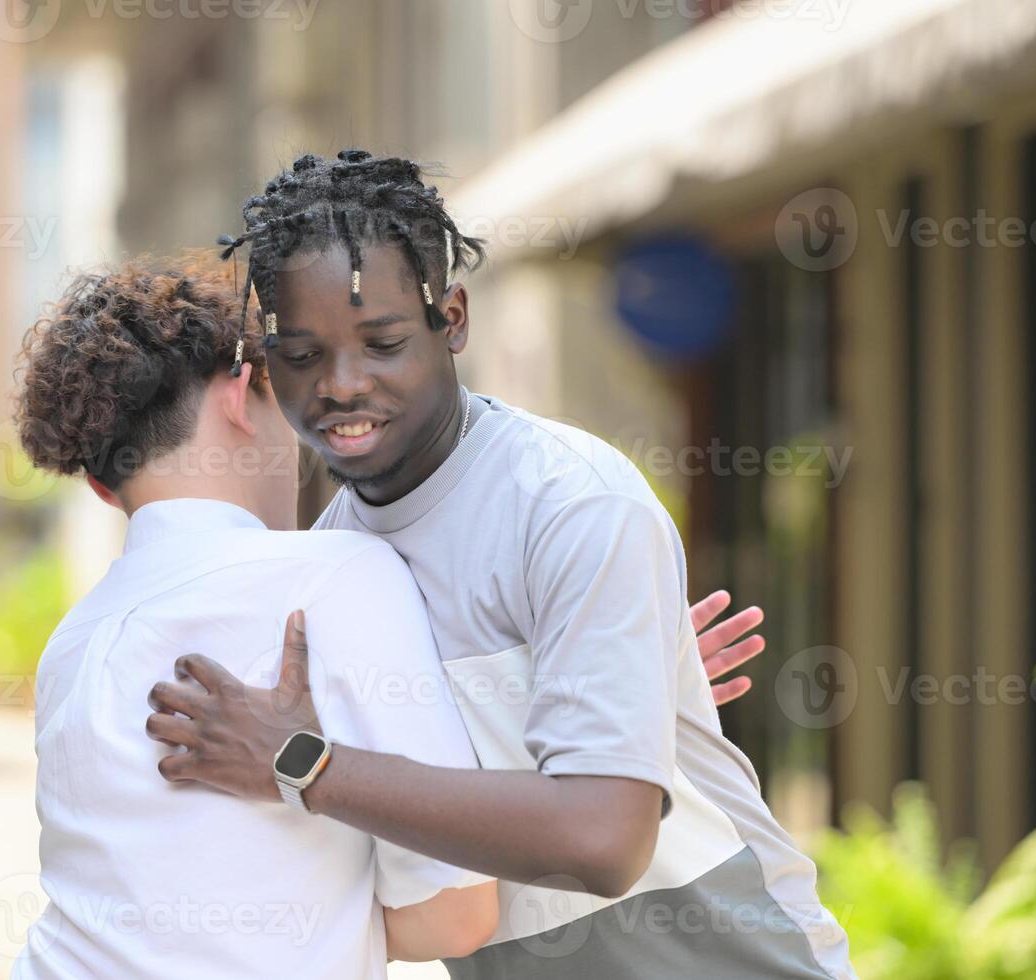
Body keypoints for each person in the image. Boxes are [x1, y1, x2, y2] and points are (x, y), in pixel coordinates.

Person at [144, 150, 854, 979]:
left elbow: (602, 843)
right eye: (302, 355)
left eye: (383, 342)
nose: (341, 385)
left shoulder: (571, 503)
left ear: (452, 319)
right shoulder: (326, 565)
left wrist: (304, 763)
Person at [10, 254, 497, 979]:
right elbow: (456, 912)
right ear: (242, 394)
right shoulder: (336, 576)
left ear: (103, 488)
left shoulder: (71, 642)